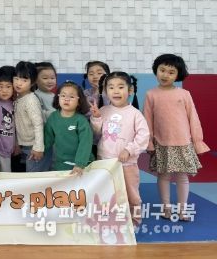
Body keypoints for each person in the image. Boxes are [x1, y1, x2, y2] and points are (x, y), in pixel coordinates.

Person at [144, 54, 210, 220]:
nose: (165, 75)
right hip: (162, 143)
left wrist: (197, 142)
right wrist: (149, 142)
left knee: (182, 177)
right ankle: (166, 208)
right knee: (163, 176)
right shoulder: (151, 94)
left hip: (183, 142)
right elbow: (147, 120)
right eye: (162, 70)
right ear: (156, 70)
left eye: (171, 72)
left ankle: (182, 210)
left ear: (178, 75)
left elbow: (193, 118)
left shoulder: (184, 94)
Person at [90, 72, 149, 225]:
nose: (115, 91)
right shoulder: (104, 110)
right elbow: (96, 134)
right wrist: (96, 117)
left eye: (120, 87)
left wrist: (129, 150)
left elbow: (143, 136)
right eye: (111, 87)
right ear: (105, 91)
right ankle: (108, 219)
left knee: (131, 194)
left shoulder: (135, 114)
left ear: (130, 90)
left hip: (127, 164)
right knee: (106, 192)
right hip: (105, 162)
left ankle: (134, 220)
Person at [43, 81, 94, 175]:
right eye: (63, 95)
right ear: (58, 98)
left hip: (83, 165)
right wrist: (39, 150)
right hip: (61, 164)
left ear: (79, 101)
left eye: (71, 97)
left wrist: (80, 164)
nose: (66, 99)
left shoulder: (81, 120)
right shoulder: (53, 117)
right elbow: (47, 139)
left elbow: (85, 143)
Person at [13, 61, 45, 172]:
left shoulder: (31, 100)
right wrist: (17, 143)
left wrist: (38, 148)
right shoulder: (17, 98)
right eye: (16, 78)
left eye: (24, 80)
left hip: (34, 146)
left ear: (33, 82)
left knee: (32, 176)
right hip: (25, 145)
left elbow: (38, 124)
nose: (19, 83)